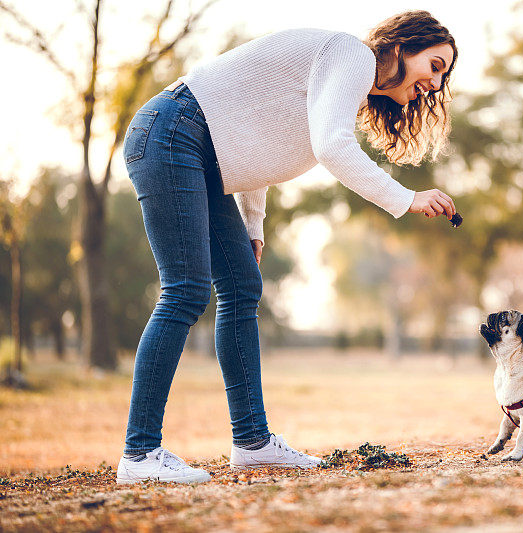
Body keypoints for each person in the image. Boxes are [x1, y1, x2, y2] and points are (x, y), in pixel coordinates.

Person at [116, 10, 458, 484]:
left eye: (444, 76)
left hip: (197, 150)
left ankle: (252, 442)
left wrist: (254, 225)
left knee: (240, 287)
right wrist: (407, 197)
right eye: (435, 65)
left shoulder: (346, 78)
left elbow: (252, 139)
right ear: (403, 45)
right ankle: (140, 453)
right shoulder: (353, 56)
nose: (435, 84)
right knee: (186, 290)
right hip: (172, 133)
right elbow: (332, 147)